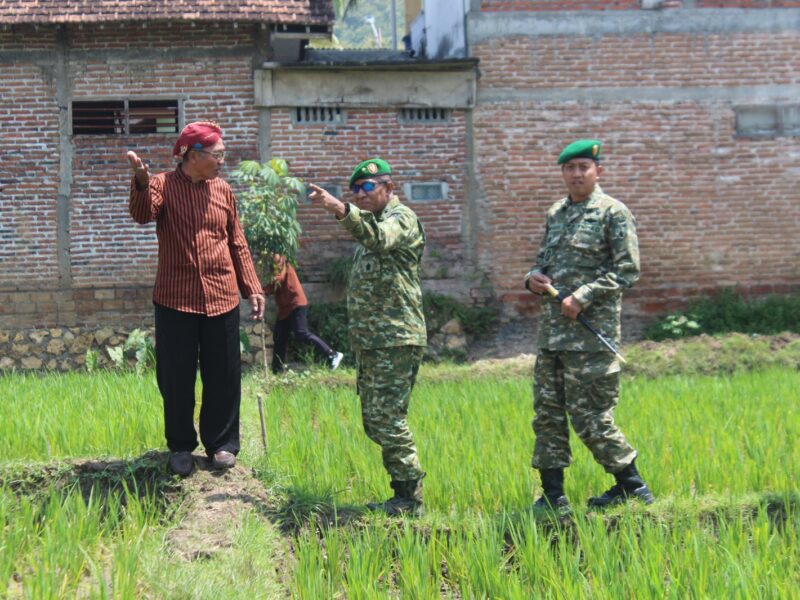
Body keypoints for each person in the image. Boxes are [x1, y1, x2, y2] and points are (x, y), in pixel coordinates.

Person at [126, 121, 265, 477]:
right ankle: (181, 446)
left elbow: (237, 242)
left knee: (224, 374)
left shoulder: (223, 191)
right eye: (218, 154)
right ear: (193, 155)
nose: (223, 160)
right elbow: (142, 215)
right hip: (176, 299)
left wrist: (252, 288)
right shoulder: (161, 185)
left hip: (221, 296)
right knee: (176, 376)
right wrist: (141, 181)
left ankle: (221, 444)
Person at [524, 139, 654, 511]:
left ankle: (632, 486)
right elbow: (542, 263)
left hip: (589, 336)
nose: (577, 174)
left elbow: (628, 269)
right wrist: (532, 278)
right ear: (562, 173)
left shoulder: (614, 213)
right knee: (547, 415)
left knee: (591, 415)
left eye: (584, 167)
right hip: (552, 336)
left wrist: (583, 295)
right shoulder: (556, 213)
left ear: (598, 171)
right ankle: (552, 495)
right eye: (570, 168)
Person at [308, 158, 427, 516]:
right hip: (372, 341)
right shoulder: (369, 226)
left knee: (388, 417)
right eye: (355, 190)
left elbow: (382, 239)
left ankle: (410, 497)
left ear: (389, 188)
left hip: (396, 337)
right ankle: (402, 492)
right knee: (375, 420)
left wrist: (339, 208)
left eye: (368, 187)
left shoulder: (400, 219)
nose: (361, 194)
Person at [263, 254, 343, 374]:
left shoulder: (279, 258)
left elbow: (278, 279)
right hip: (284, 307)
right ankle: (277, 371)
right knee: (279, 337)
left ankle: (332, 354)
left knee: (301, 332)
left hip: (296, 304)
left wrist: (261, 291)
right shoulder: (270, 261)